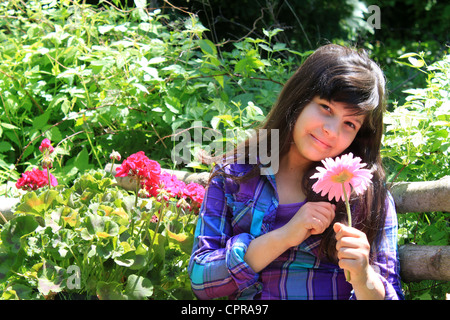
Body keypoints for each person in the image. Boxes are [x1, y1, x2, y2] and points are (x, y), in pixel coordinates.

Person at [188, 44, 404, 300]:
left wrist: (363, 276)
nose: (332, 131)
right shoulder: (235, 175)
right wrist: (285, 235)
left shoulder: (364, 195)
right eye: (326, 108)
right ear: (299, 98)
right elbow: (201, 281)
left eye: (349, 123)